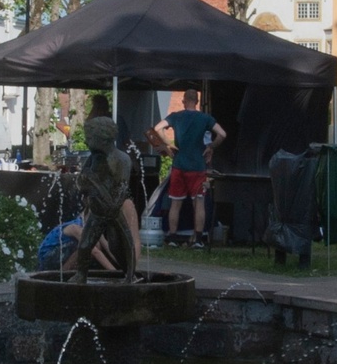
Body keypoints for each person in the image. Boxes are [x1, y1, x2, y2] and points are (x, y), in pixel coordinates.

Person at [153, 89, 226, 249]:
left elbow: (158, 128)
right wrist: (210, 147)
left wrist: (168, 144)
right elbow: (222, 134)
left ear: (184, 100)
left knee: (175, 203)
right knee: (198, 203)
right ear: (198, 102)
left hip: (179, 165)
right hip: (197, 166)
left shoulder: (176, 116)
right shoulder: (205, 118)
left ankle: (172, 238)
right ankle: (198, 239)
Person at [73, 116, 138, 283]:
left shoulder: (121, 159)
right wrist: (83, 184)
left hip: (113, 211)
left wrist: (113, 205)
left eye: (90, 139)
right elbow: (82, 181)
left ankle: (130, 275)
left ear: (103, 139)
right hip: (97, 210)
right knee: (85, 244)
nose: (87, 142)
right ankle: (81, 275)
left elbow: (123, 188)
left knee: (121, 245)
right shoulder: (93, 158)